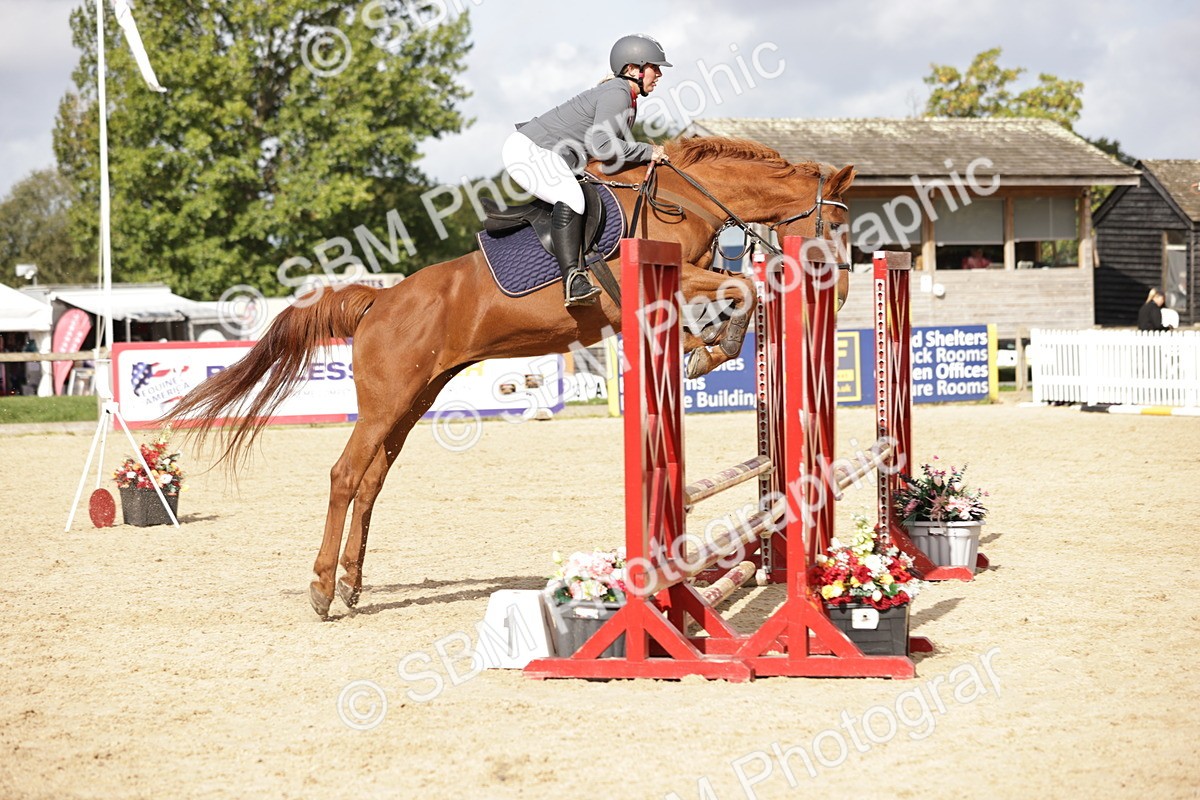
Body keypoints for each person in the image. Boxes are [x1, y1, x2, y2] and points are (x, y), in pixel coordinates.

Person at [502, 34, 671, 306]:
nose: (660, 73)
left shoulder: (626, 98)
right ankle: (573, 280)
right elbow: (603, 146)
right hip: (530, 151)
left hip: (549, 153)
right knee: (572, 198)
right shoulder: (617, 94)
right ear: (633, 69)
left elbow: (610, 154)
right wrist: (648, 150)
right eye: (655, 66)